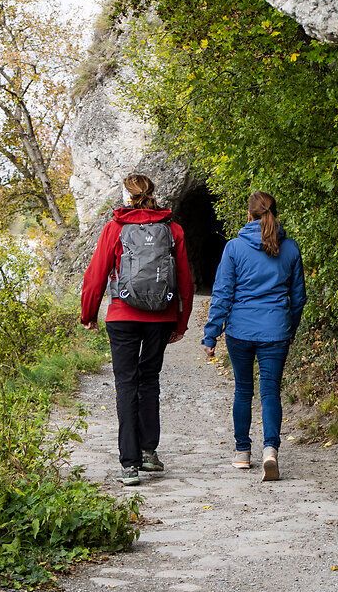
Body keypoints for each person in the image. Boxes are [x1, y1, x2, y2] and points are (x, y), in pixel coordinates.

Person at [81, 173, 195, 486]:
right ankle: (148, 452)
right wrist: (181, 322)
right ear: (152, 194)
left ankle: (128, 465)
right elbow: (185, 279)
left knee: (126, 384)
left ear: (125, 196)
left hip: (122, 317)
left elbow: (96, 275)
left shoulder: (115, 229)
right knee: (149, 380)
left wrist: (88, 313)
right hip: (161, 317)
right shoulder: (173, 229)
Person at [203, 191, 306, 481]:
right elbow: (298, 297)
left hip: (240, 331)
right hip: (275, 330)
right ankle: (270, 450)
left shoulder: (234, 248)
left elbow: (223, 293)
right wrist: (290, 327)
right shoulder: (290, 249)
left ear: (249, 215)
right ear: (276, 213)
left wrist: (211, 335)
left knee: (243, 390)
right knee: (270, 390)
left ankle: (241, 453)